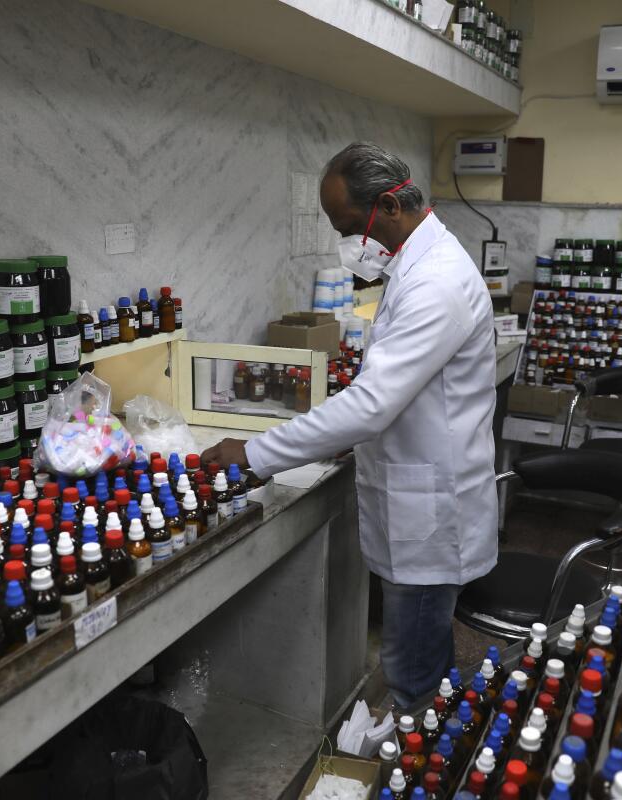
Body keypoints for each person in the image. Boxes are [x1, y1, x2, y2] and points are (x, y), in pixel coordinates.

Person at [201, 142, 497, 708]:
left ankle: (419, 763)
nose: (346, 245)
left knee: (412, 669)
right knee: (415, 653)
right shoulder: (418, 264)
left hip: (430, 514)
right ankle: (423, 738)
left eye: (346, 227)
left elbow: (370, 406)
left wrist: (256, 453)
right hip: (419, 496)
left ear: (388, 206)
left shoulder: (435, 282)